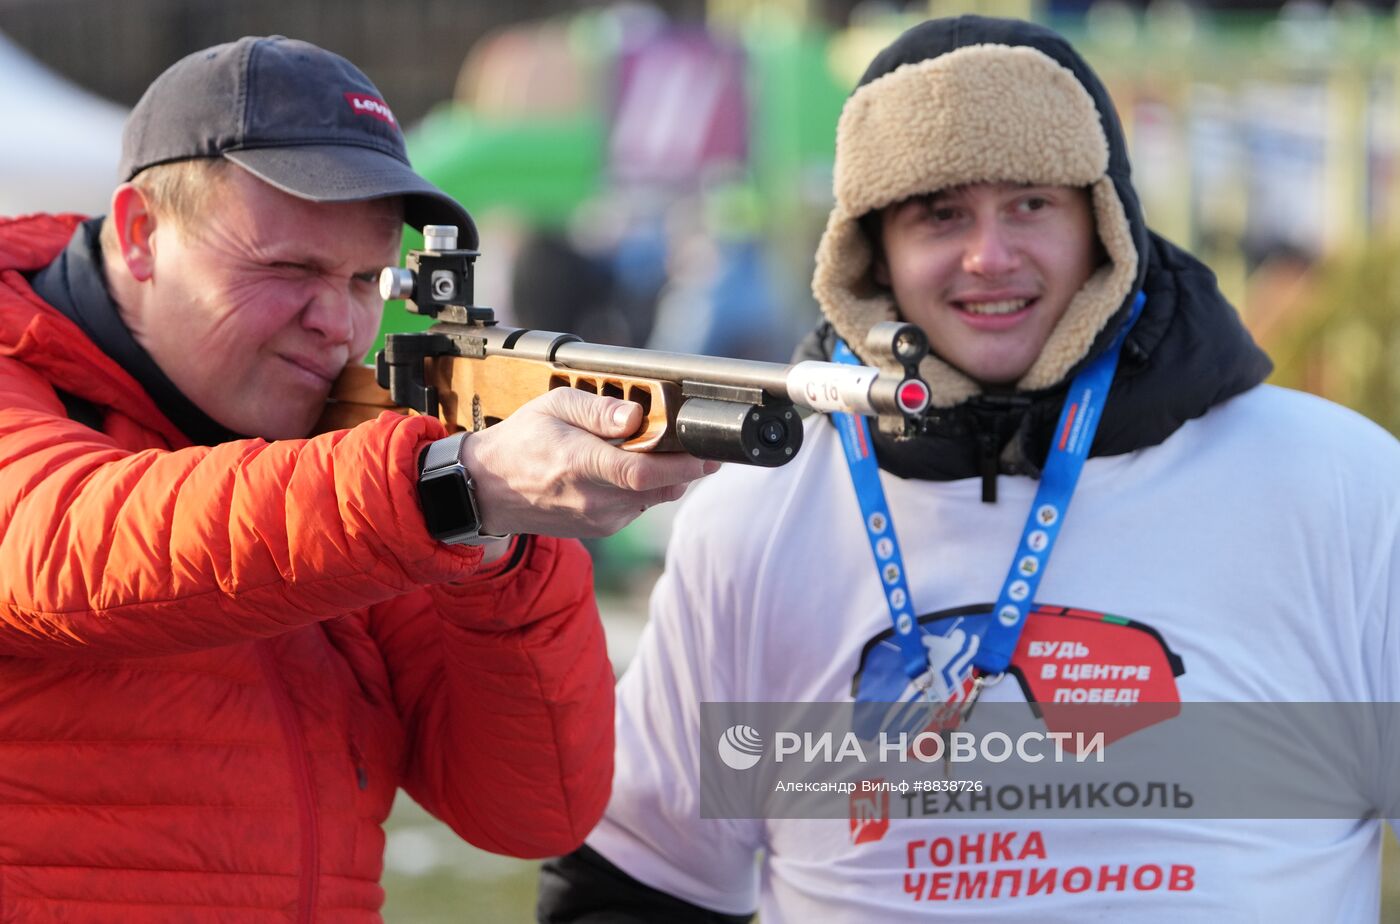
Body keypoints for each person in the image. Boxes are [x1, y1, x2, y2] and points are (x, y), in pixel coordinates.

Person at [537, 15, 1400, 922]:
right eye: (940, 214)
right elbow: (636, 884)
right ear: (870, 253)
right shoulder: (762, 507)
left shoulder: (1331, 488)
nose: (989, 256)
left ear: (1105, 224)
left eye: (1031, 202)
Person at [0, 35, 715, 920]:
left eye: (367, 279)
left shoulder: (353, 453)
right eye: (289, 269)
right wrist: (457, 487)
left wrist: (499, 552)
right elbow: (67, 540)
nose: (338, 323)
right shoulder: (368, 481)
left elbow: (532, 806)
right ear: (143, 234)